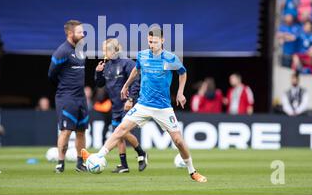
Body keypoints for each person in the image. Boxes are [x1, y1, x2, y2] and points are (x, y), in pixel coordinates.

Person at [81, 28, 207, 183]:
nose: (152, 44)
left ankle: (192, 171)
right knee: (120, 129)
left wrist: (180, 92)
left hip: (163, 107)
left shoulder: (170, 58)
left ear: (162, 41)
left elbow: (182, 72)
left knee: (179, 141)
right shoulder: (142, 55)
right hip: (143, 104)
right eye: (149, 41)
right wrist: (126, 85)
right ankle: (98, 156)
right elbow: (136, 70)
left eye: (154, 42)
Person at [95, 38, 147, 173]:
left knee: (121, 131)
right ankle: (124, 165)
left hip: (127, 103)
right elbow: (100, 84)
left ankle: (141, 153)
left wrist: (131, 99)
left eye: (106, 50)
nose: (104, 53)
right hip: (115, 105)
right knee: (119, 134)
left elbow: (137, 81)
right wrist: (98, 72)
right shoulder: (106, 65)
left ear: (115, 49)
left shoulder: (128, 63)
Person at [48, 20, 88, 173]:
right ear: (70, 34)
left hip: (81, 97)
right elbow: (51, 74)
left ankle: (80, 163)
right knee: (66, 130)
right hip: (67, 97)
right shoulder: (62, 51)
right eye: (80, 32)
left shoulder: (80, 49)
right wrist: (65, 89)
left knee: (81, 131)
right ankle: (60, 163)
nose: (83, 34)